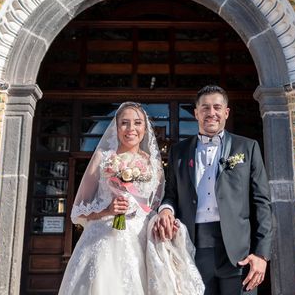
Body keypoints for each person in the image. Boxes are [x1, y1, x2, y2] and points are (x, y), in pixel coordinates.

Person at [58, 102, 203, 295]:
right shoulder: (103, 157)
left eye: (137, 123)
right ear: (116, 128)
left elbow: (157, 206)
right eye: (124, 123)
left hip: (141, 240)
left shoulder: (154, 165)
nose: (131, 129)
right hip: (104, 238)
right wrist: (107, 210)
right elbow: (78, 210)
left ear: (145, 128)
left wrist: (163, 221)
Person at [154, 86, 273, 294]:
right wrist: (165, 209)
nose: (211, 113)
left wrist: (261, 255)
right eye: (205, 108)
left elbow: (262, 203)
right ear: (196, 113)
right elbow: (171, 193)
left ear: (226, 112)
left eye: (217, 107)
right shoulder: (178, 152)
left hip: (239, 254)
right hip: (192, 250)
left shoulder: (247, 147)